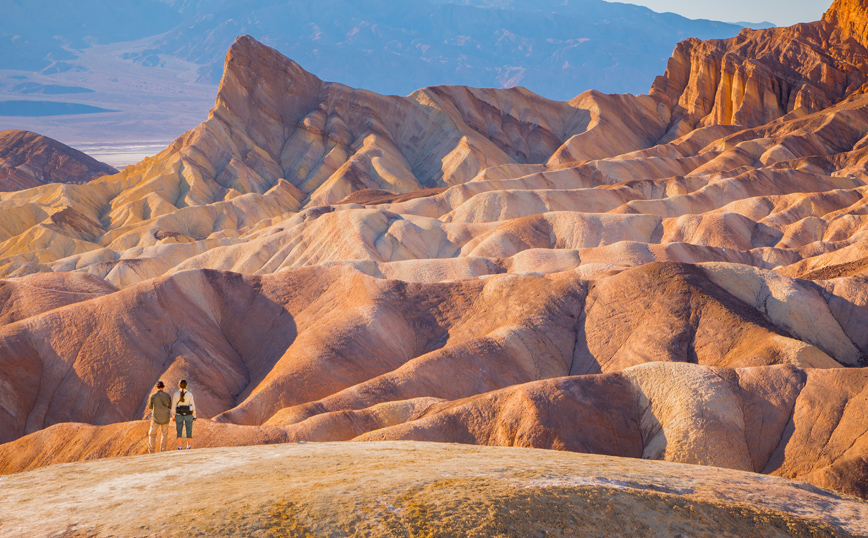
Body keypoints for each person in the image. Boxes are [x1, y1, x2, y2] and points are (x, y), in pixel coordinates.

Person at [147, 381, 172, 453]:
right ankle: (163, 451)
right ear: (163, 387)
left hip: (156, 418)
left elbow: (150, 406)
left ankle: (151, 451)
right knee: (164, 434)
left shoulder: (153, 396)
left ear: (156, 387)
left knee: (152, 434)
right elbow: (170, 406)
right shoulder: (167, 396)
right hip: (165, 418)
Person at [172, 379, 197, 450]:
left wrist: (173, 416)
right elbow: (192, 406)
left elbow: (173, 406)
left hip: (179, 414)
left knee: (179, 430)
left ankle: (179, 446)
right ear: (186, 385)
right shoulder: (190, 394)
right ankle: (188, 446)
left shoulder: (175, 394)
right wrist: (194, 416)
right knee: (189, 430)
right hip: (188, 415)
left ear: (179, 385)